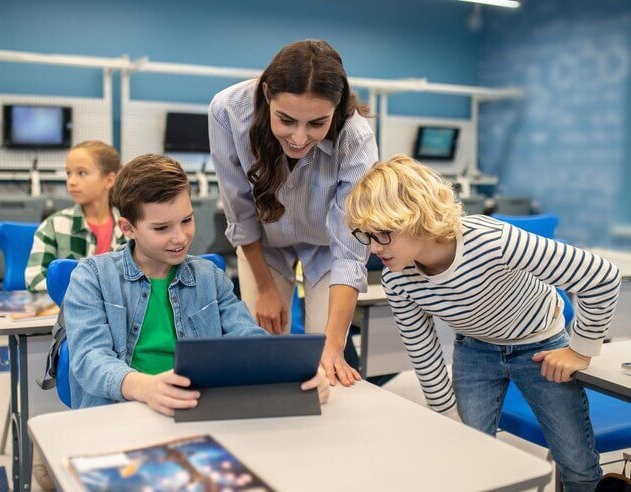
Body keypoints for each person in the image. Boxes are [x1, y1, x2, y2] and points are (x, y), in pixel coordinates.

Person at [345, 154, 621, 491]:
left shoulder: (493, 241)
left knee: (576, 462)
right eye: (366, 236)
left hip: (540, 346)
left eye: (383, 234)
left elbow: (601, 276)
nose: (374, 248)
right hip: (475, 351)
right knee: (469, 458)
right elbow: (422, 348)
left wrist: (580, 350)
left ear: (416, 217)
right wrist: (446, 417)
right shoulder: (397, 278)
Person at [64, 154, 330, 413]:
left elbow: (248, 341)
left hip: (195, 409)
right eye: (161, 228)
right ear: (128, 228)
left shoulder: (209, 276)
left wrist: (293, 374)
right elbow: (90, 359)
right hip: (119, 413)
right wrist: (146, 388)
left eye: (187, 220)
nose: (180, 237)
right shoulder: (92, 277)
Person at [209, 39, 378, 386]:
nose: (299, 138)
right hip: (264, 243)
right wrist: (267, 290)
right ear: (268, 94)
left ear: (336, 108)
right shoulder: (228, 111)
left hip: (328, 245)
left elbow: (350, 249)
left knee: (327, 357)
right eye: (286, 120)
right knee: (264, 352)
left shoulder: (356, 136)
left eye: (317, 124)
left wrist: (332, 347)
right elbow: (239, 212)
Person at [25, 140, 125, 293]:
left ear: (109, 180)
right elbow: (35, 280)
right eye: (68, 173)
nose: (71, 181)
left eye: (82, 173)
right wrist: (86, 293)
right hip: (70, 313)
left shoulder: (129, 229)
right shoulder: (53, 226)